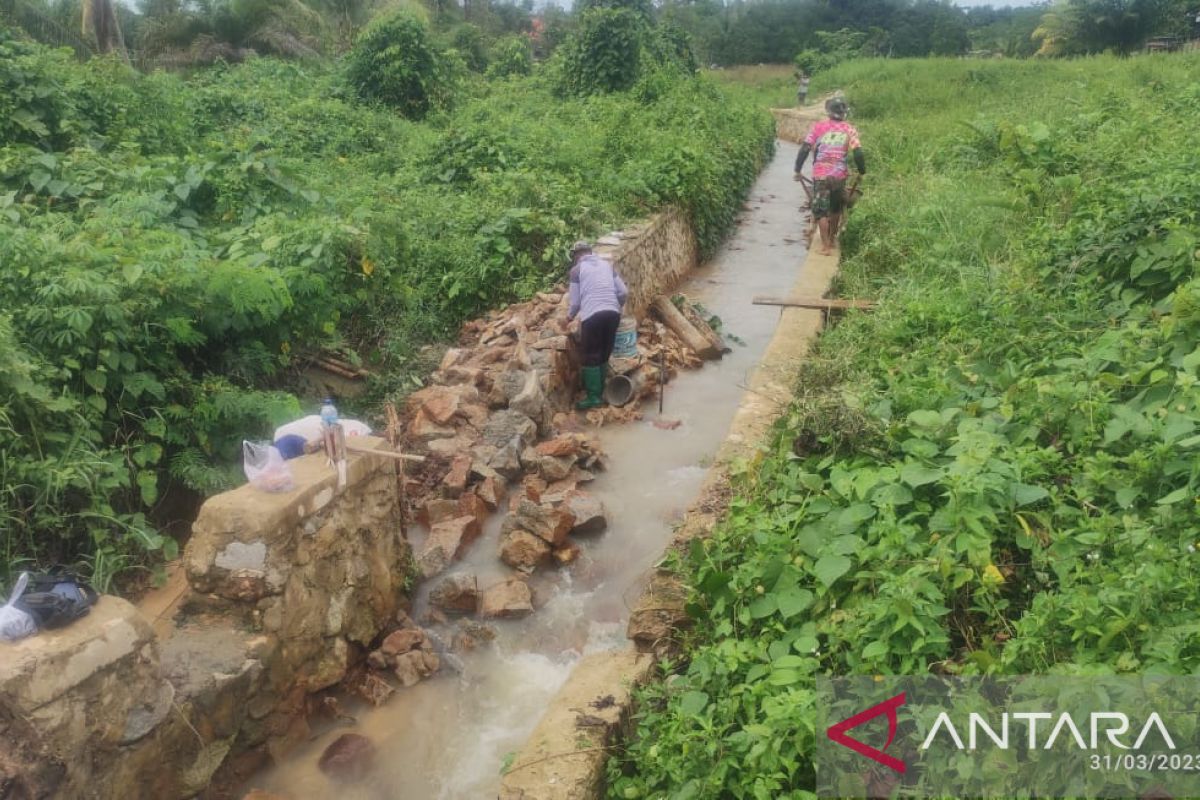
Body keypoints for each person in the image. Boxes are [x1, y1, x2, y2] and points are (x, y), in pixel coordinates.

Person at [794, 96, 866, 256]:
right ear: (844, 113)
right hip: (839, 175)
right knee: (835, 209)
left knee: (820, 211)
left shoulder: (818, 127)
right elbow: (858, 153)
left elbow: (805, 148)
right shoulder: (850, 129)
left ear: (828, 112)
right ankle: (832, 240)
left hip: (820, 175)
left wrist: (797, 170)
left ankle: (825, 246)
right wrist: (862, 172)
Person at [566, 240, 628, 410]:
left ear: (577, 256)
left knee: (590, 355)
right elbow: (623, 292)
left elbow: (575, 302)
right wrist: (616, 306)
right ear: (590, 252)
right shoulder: (607, 265)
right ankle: (604, 392)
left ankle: (594, 397)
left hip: (593, 315)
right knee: (604, 351)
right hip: (613, 314)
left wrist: (568, 318)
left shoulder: (576, 271)